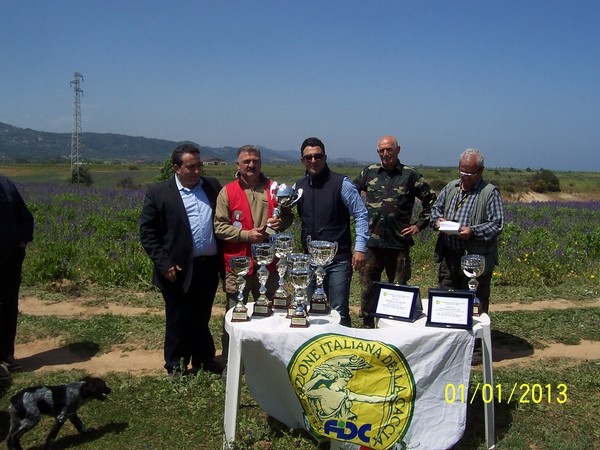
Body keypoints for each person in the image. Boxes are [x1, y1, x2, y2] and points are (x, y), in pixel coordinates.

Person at [140, 144, 224, 376]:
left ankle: (203, 358)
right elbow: (147, 233)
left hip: (207, 266)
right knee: (178, 318)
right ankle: (175, 365)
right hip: (176, 269)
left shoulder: (212, 187)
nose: (197, 171)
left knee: (202, 315)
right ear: (177, 168)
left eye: (199, 166)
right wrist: (164, 263)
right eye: (191, 166)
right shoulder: (159, 193)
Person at [214, 145, 292, 356]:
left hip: (270, 263)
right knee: (235, 312)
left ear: (261, 163)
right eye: (246, 161)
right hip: (238, 263)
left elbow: (287, 216)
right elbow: (219, 227)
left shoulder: (274, 188)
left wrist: (281, 223)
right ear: (238, 165)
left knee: (271, 313)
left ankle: (267, 360)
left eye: (255, 161)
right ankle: (231, 361)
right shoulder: (227, 192)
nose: (251, 165)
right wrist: (247, 235)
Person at [430, 148, 504, 365]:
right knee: (447, 301)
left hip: (475, 260)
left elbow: (497, 224)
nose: (465, 176)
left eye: (470, 173)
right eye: (462, 171)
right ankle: (449, 346)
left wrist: (473, 231)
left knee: (475, 303)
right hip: (450, 256)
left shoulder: (489, 193)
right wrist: (438, 221)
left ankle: (476, 349)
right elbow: (435, 210)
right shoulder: (451, 187)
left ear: (480, 171)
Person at [354, 136, 437, 328]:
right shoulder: (369, 172)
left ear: (398, 150)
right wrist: (358, 216)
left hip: (398, 243)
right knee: (368, 288)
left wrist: (418, 225)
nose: (385, 153)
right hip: (372, 244)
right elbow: (351, 192)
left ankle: (395, 329)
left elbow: (432, 202)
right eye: (382, 150)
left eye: (389, 149)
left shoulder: (410, 175)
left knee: (398, 291)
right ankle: (368, 326)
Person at [294, 137, 369, 327]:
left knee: (339, 312)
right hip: (310, 261)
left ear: (325, 157)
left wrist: (360, 248)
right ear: (302, 160)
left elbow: (360, 214)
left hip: (338, 261)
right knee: (311, 310)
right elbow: (285, 213)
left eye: (317, 156)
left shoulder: (342, 184)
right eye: (308, 157)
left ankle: (342, 344)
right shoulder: (298, 187)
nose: (313, 160)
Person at [0, 176, 34, 382]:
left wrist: (22, 244)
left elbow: (26, 217)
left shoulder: (6, 185)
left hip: (10, 258)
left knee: (9, 306)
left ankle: (6, 353)